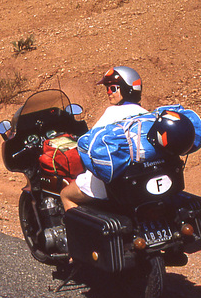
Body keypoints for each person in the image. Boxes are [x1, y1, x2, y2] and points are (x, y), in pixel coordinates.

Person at [60, 66, 148, 211]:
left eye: (112, 88)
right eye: (107, 89)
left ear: (127, 90)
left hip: (108, 184)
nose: (108, 93)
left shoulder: (112, 113)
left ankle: (76, 233)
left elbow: (90, 142)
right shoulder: (145, 114)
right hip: (139, 178)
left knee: (65, 195)